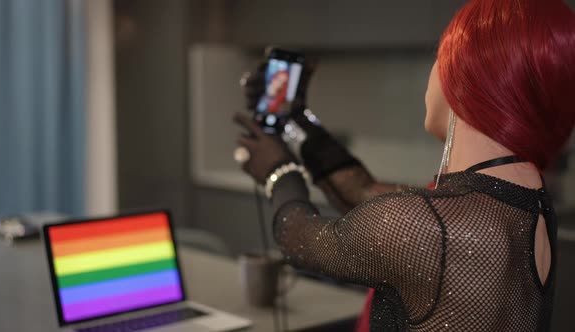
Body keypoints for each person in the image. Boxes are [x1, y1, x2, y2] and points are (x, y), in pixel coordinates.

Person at [234, 0, 575, 330]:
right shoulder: (525, 204)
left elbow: (298, 239)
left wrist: (278, 171)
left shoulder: (436, 226)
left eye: (439, 57)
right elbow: (363, 192)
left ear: (468, 73)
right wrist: (297, 119)